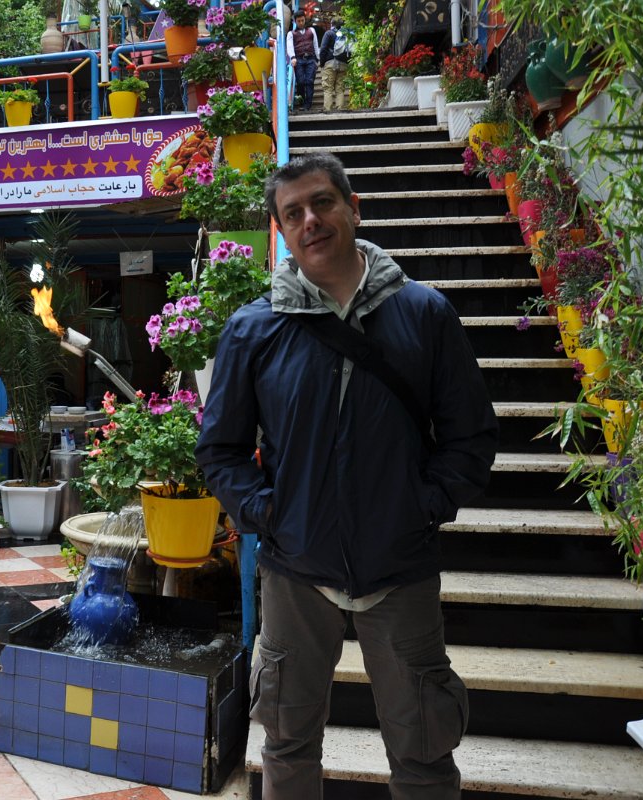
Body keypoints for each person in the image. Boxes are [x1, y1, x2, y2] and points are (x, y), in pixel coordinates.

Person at [195, 153, 498, 799]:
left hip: (400, 567)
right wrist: (269, 513)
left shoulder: (425, 314)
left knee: (424, 752)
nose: (310, 220)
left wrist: (421, 506)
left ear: (353, 208)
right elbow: (220, 449)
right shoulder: (254, 329)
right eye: (293, 213)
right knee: (286, 744)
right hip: (295, 570)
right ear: (282, 231)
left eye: (323, 202)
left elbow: (470, 437)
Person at [286, 11, 320, 112]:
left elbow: (315, 44)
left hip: (311, 59)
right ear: (295, 21)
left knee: (310, 81)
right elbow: (289, 47)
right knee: (300, 82)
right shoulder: (291, 34)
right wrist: (292, 57)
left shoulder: (311, 30)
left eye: (302, 20)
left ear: (305, 19)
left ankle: (308, 104)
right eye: (299, 21)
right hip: (298, 59)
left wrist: (318, 59)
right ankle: (302, 101)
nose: (301, 23)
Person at [319, 17, 351, 112]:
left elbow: (323, 49)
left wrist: (322, 63)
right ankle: (340, 108)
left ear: (332, 24)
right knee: (340, 89)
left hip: (330, 64)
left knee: (328, 88)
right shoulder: (346, 35)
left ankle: (328, 109)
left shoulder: (328, 33)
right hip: (343, 64)